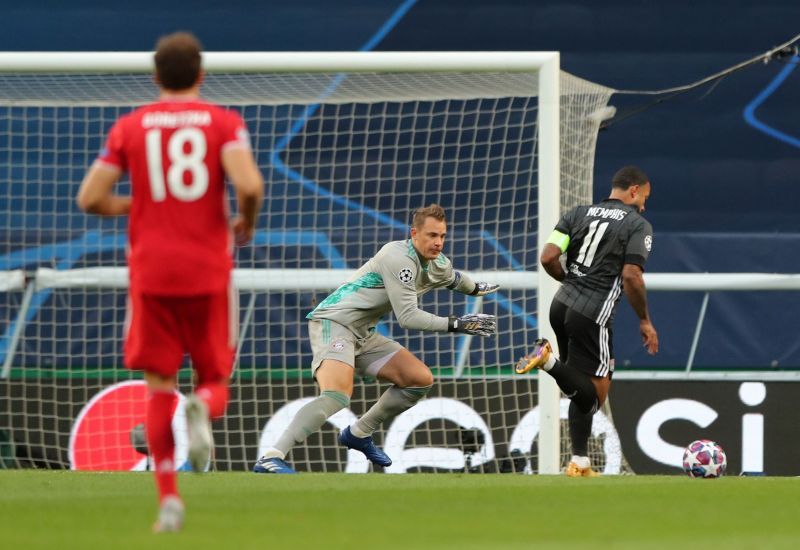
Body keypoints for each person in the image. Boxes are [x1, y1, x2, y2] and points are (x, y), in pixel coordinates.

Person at [76, 32, 263, 532]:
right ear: (201, 75)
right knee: (214, 378)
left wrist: (135, 206)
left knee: (158, 385)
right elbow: (248, 184)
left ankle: (168, 501)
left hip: (152, 272)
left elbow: (90, 198)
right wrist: (245, 221)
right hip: (207, 269)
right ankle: (202, 406)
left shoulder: (130, 127)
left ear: (155, 77)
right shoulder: (223, 123)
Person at [253, 204, 498, 474]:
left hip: (363, 332)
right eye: (431, 235)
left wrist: (476, 289)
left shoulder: (437, 262)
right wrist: (456, 324)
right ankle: (272, 456)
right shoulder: (397, 258)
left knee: (419, 379)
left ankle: (358, 433)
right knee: (336, 395)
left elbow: (455, 278)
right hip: (334, 324)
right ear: (414, 234)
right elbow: (408, 317)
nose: (438, 242)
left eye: (442, 236)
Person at [515, 165, 658, 477]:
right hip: (593, 314)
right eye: (644, 197)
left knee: (579, 388)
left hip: (561, 305)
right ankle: (547, 361)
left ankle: (579, 462)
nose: (644, 205)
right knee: (594, 396)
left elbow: (548, 256)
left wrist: (570, 281)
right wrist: (645, 320)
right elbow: (632, 275)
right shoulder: (638, 225)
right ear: (634, 191)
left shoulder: (576, 214)